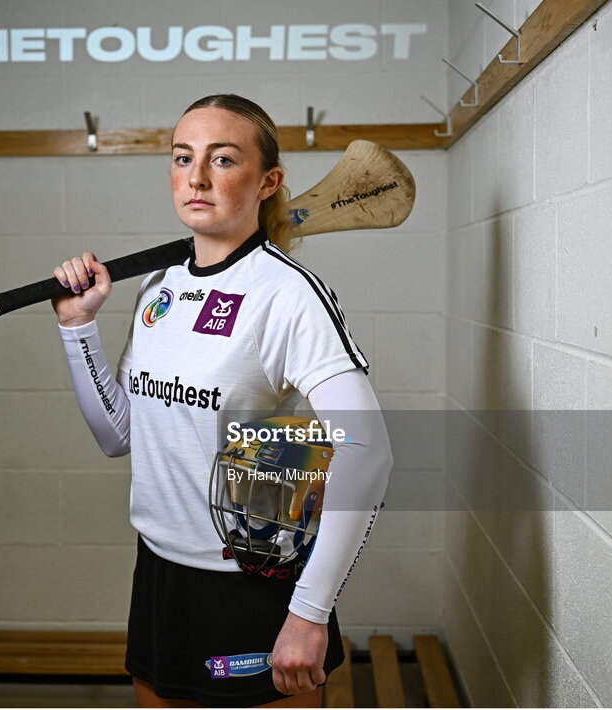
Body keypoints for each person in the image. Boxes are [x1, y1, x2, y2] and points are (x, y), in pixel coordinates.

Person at [51, 94, 393, 708]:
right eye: (183, 158)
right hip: (159, 573)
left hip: (253, 585)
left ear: (269, 181)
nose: (198, 177)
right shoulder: (161, 286)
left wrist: (309, 614)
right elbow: (118, 435)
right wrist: (78, 329)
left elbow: (367, 452)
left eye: (223, 159)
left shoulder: (287, 294)